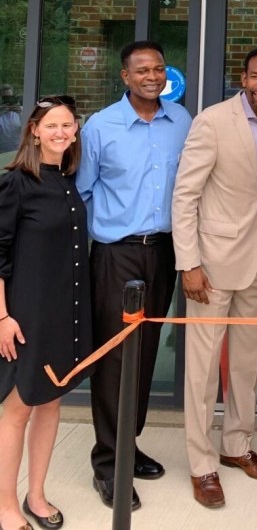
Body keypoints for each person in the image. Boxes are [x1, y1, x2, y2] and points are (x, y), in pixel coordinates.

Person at [77, 40, 192, 511]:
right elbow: (82, 193)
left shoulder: (180, 121)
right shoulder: (100, 127)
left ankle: (130, 443)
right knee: (115, 358)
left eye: (158, 69)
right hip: (117, 254)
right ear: (125, 77)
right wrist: (94, 247)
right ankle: (108, 463)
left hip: (163, 251)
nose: (151, 76)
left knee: (144, 354)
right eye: (142, 70)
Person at [172, 46, 257, 508]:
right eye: (256, 77)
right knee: (202, 370)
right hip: (212, 263)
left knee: (245, 361)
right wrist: (189, 263)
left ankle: (237, 445)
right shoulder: (213, 121)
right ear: (243, 78)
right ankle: (202, 465)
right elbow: (186, 194)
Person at [0, 96, 92, 530]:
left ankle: (35, 495)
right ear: (34, 131)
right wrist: (3, 317)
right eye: (51, 125)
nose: (60, 132)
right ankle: (6, 506)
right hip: (26, 317)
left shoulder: (68, 181)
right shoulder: (16, 183)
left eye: (67, 125)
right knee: (18, 409)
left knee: (51, 403)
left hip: (64, 313)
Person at [0, 85, 22, 155]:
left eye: (10, 97)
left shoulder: (21, 111)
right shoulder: (1, 114)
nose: (8, 100)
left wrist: (20, 113)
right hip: (2, 153)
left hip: (18, 152)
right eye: (5, 98)